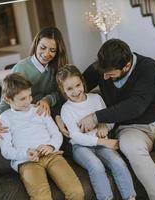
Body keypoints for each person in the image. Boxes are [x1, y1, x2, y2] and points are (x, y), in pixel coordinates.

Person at [63, 39, 155, 200]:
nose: (105, 77)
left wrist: (96, 117)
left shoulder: (148, 67)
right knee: (133, 150)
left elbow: (136, 105)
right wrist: (55, 111)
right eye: (103, 73)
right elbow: (71, 85)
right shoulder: (101, 68)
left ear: (127, 66)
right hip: (129, 129)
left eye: (110, 74)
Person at [0, 73, 84, 200]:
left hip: (52, 155)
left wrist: (50, 146)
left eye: (29, 96)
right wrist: (26, 153)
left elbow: (56, 134)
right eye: (22, 99)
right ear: (7, 99)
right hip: (27, 162)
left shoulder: (39, 110)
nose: (29, 101)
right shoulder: (4, 118)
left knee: (76, 192)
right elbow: (6, 150)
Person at [57, 65, 136, 200]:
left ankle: (130, 197)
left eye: (78, 85)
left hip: (101, 143)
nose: (76, 91)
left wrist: (103, 126)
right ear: (63, 90)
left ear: (83, 82)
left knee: (118, 162)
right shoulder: (66, 109)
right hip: (81, 147)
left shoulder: (96, 98)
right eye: (69, 89)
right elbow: (75, 136)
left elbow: (109, 120)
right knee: (96, 166)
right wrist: (103, 141)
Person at [0, 26, 68, 135]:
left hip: (48, 114)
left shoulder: (56, 67)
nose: (46, 54)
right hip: (27, 117)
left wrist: (47, 100)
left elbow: (61, 92)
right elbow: (8, 97)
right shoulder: (21, 68)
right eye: (43, 47)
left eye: (52, 50)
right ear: (36, 44)